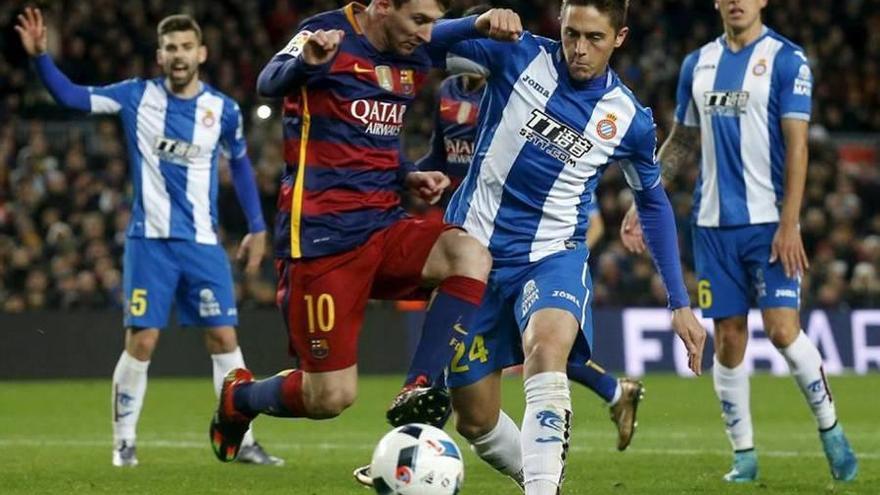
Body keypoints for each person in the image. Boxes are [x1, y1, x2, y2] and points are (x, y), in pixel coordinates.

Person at [207, 0, 523, 463]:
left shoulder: (411, 50)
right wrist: (305, 61)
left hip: (383, 224)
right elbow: (268, 79)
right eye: (418, 20)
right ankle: (240, 399)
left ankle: (419, 387)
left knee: (468, 254)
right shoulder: (325, 35)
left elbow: (376, 135)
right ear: (380, 6)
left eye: (434, 21)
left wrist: (406, 175)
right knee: (329, 397)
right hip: (321, 240)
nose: (427, 33)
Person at [418, 1, 707, 493]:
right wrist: (477, 22)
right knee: (475, 420)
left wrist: (679, 301)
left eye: (594, 38)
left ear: (619, 38)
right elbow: (422, 43)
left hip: (553, 255)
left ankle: (542, 488)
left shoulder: (629, 119)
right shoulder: (516, 55)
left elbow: (653, 204)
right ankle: (538, 474)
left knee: (547, 349)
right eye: (571, 33)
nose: (578, 49)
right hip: (472, 255)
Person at [15, 9, 282, 466]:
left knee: (224, 340)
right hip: (149, 242)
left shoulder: (222, 110)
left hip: (202, 244)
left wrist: (258, 227)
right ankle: (123, 443)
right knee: (141, 342)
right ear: (160, 55)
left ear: (202, 52)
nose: (178, 56)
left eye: (185, 47)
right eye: (170, 48)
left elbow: (239, 164)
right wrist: (41, 59)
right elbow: (71, 96)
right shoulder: (135, 96)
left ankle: (244, 440)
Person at [619, 0, 858, 483]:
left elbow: (798, 145)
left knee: (784, 331)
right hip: (711, 228)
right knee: (728, 339)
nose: (735, 2)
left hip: (769, 224)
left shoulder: (788, 60)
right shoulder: (698, 63)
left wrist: (790, 223)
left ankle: (831, 430)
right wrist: (642, 202)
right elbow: (682, 140)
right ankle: (744, 456)